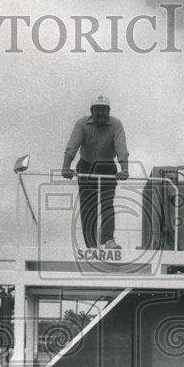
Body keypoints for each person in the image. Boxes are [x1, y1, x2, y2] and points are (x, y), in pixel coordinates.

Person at [62, 94, 130, 250]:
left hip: (107, 167)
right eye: (97, 110)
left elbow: (121, 147)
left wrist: (124, 169)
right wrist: (65, 167)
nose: (101, 113)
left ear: (109, 111)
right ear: (91, 111)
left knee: (107, 203)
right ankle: (91, 244)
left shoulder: (116, 124)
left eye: (104, 110)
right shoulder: (82, 123)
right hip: (86, 166)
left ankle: (108, 240)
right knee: (88, 205)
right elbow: (73, 145)